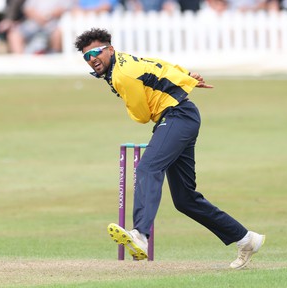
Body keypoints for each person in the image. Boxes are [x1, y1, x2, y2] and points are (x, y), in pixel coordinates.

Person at [74, 28, 265, 269]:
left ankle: (140, 235)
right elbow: (158, 64)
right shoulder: (125, 62)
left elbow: (142, 115)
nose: (92, 59)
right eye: (86, 56)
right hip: (182, 116)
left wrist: (154, 97)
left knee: (147, 167)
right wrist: (187, 76)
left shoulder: (123, 74)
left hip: (176, 117)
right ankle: (246, 239)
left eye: (95, 52)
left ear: (110, 49)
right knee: (185, 199)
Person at [8, 0, 73, 54]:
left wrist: (48, 15)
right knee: (14, 33)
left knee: (58, 33)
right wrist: (39, 18)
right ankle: (21, 62)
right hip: (33, 23)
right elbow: (27, 9)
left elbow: (65, 9)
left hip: (54, 24)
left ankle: (54, 58)